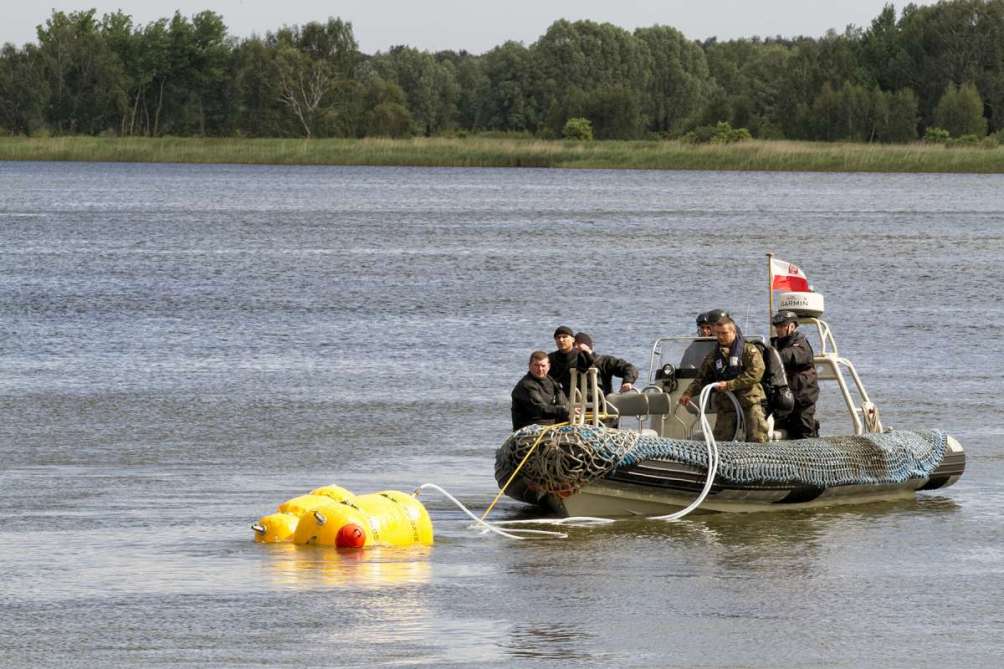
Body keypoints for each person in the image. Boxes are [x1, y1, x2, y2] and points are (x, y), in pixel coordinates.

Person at [678, 315, 768, 443]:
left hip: (749, 402)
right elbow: (702, 378)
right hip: (726, 405)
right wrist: (688, 393)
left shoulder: (749, 351)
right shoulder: (713, 356)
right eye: (718, 334)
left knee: (757, 438)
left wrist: (729, 385)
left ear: (733, 332)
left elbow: (756, 373)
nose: (720, 337)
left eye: (724, 333)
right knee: (721, 441)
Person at [770, 310, 820, 438]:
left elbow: (789, 356)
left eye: (782, 326)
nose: (778, 329)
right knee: (777, 431)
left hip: (802, 399)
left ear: (791, 326)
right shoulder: (775, 344)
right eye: (776, 326)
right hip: (783, 400)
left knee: (804, 432)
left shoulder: (801, 343)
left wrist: (771, 355)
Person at [511, 351, 571, 431]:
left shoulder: (551, 381)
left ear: (548, 366)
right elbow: (539, 409)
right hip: (530, 429)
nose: (540, 369)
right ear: (529, 366)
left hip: (553, 427)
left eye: (543, 366)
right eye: (536, 365)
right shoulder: (526, 385)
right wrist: (563, 410)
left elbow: (562, 401)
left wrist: (570, 409)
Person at [573, 332, 639, 395]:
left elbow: (629, 368)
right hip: (576, 403)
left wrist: (627, 382)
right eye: (574, 345)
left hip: (603, 402)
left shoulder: (604, 361)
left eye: (579, 344)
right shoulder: (571, 363)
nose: (576, 347)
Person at [548, 325, 587, 396]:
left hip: (579, 396)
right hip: (556, 395)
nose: (561, 340)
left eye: (564, 337)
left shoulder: (581, 357)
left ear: (573, 340)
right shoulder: (550, 358)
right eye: (558, 337)